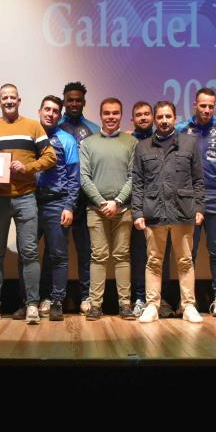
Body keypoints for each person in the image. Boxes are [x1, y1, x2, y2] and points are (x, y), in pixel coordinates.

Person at [0, 83, 56, 324]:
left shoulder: (33, 126)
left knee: (30, 252)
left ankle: (32, 305)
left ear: (19, 100)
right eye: (5, 98)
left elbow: (50, 156)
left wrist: (28, 167)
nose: (9, 101)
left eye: (13, 97)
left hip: (25, 197)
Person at [132, 101, 205, 323]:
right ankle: (152, 306)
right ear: (155, 119)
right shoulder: (143, 146)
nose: (164, 121)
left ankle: (188, 305)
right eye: (160, 117)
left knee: (185, 260)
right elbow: (137, 182)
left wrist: (199, 207)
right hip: (154, 211)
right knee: (153, 261)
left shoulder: (189, 143)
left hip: (183, 211)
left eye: (168, 116)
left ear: (175, 118)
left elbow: (198, 180)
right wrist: (137, 212)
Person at [19, 96, 79, 322]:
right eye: (47, 109)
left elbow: (74, 177)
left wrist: (69, 206)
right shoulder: (28, 138)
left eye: (55, 111)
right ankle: (27, 303)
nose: (51, 114)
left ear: (59, 114)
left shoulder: (67, 140)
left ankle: (56, 302)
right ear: (39, 111)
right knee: (27, 254)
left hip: (57, 203)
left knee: (58, 256)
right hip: (29, 201)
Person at [79, 98, 137, 320]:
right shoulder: (88, 143)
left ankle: (125, 305)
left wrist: (118, 201)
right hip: (96, 210)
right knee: (99, 256)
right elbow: (84, 177)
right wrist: (103, 202)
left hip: (123, 209)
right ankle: (95, 305)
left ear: (121, 115)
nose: (111, 117)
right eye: (107, 113)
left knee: (122, 256)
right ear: (100, 114)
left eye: (115, 113)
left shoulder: (131, 143)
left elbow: (134, 177)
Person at [176, 87, 216, 316]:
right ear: (194, 104)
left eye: (211, 106)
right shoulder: (181, 129)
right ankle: (187, 300)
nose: (207, 110)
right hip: (189, 199)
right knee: (189, 253)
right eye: (203, 105)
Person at [57, 81, 99, 313]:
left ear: (84, 102)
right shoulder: (53, 127)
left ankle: (86, 297)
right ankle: (54, 298)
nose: (74, 103)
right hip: (59, 200)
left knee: (86, 252)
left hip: (85, 200)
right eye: (70, 99)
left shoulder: (92, 128)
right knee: (57, 252)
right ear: (64, 101)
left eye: (78, 100)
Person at [128, 101, 172, 318]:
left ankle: (159, 299)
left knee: (161, 256)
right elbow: (135, 179)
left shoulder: (164, 141)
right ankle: (139, 297)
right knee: (139, 256)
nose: (144, 118)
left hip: (161, 209)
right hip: (137, 208)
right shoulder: (128, 141)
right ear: (133, 119)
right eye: (139, 115)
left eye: (147, 114)